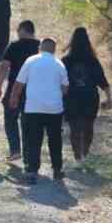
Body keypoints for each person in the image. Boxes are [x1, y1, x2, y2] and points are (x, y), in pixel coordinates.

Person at [9, 36, 69, 183]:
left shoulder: (31, 61)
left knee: (33, 139)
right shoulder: (59, 64)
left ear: (40, 47)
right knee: (55, 139)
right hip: (54, 109)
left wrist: (13, 97)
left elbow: (19, 82)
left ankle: (32, 170)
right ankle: (57, 169)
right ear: (54, 50)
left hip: (33, 107)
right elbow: (65, 88)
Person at [62, 26, 112, 163]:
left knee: (74, 129)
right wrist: (109, 99)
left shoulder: (66, 61)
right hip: (90, 98)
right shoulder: (92, 60)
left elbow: (58, 83)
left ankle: (78, 157)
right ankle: (85, 153)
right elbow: (103, 82)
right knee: (88, 128)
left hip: (71, 99)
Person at [0, 20, 40, 162]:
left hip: (14, 89)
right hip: (34, 90)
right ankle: (29, 155)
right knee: (29, 123)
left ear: (22, 29)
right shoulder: (40, 47)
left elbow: (4, 67)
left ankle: (15, 150)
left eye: (18, 30)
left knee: (10, 119)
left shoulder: (14, 45)